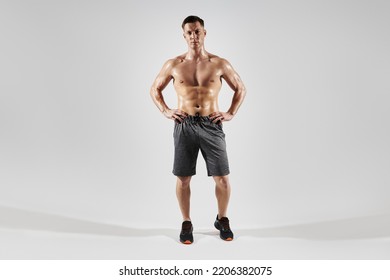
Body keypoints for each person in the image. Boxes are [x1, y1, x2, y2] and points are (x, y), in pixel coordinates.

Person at [150, 15, 246, 244]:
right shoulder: (173, 64)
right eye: (189, 32)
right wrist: (165, 110)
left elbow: (240, 88)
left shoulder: (219, 63)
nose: (194, 36)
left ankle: (222, 218)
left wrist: (231, 112)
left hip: (211, 124)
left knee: (222, 178)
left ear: (204, 33)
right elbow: (155, 89)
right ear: (184, 36)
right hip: (185, 124)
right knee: (183, 178)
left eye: (197, 31)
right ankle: (186, 222)